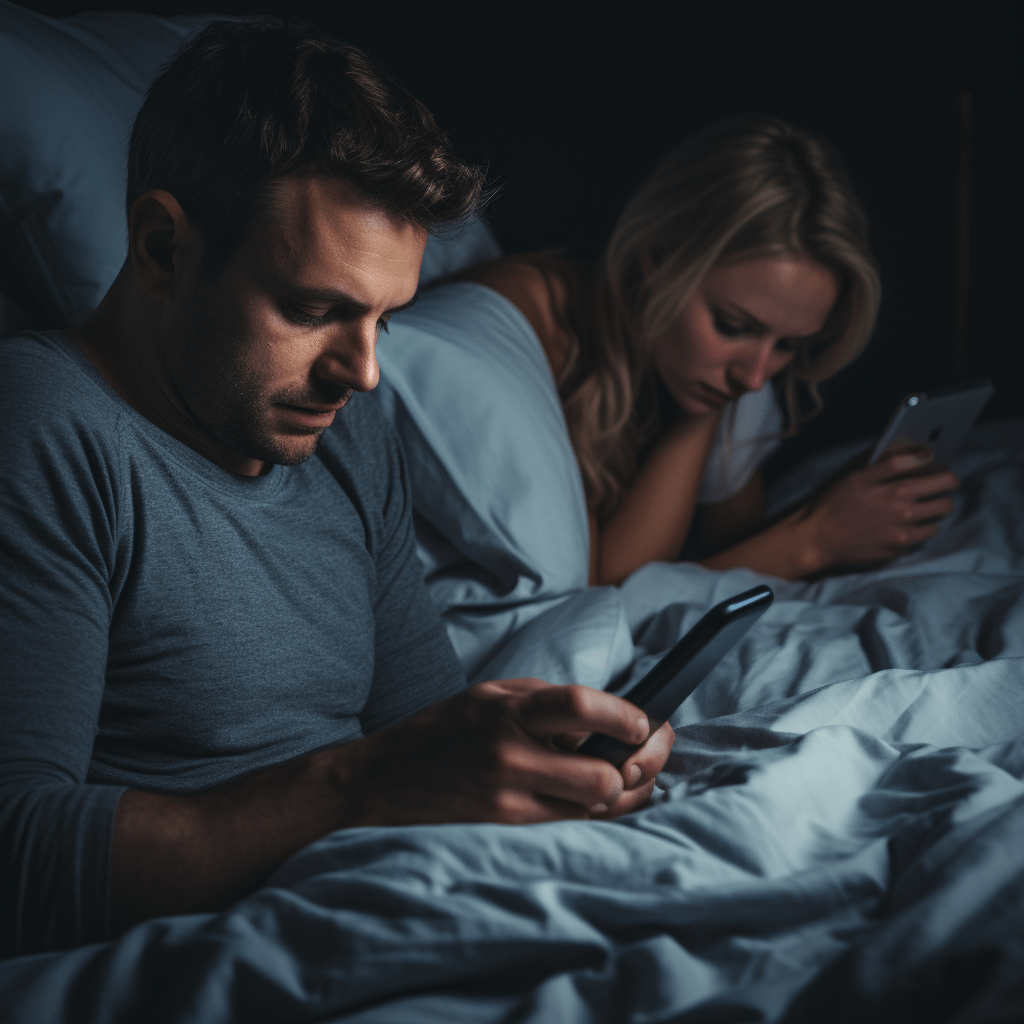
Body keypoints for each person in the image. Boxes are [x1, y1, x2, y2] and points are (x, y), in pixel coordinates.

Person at [0, 18, 673, 958]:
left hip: (377, 891)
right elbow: (16, 860)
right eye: (315, 310)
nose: (360, 373)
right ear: (161, 248)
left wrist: (539, 764)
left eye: (383, 321)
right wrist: (357, 789)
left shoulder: (347, 435)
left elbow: (416, 728)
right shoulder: (43, 428)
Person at [459, 116, 960, 585]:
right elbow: (599, 596)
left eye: (788, 344)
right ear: (657, 258)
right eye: (734, 325)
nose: (757, 376)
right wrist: (814, 539)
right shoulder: (522, 326)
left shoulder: (719, 373)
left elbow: (727, 554)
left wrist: (827, 512)